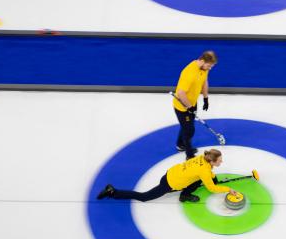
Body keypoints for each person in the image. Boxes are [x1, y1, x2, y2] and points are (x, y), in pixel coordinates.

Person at [96, 149, 237, 203]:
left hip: (170, 173)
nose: (221, 162)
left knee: (200, 180)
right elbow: (211, 188)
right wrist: (228, 189)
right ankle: (113, 192)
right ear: (211, 161)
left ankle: (185, 195)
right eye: (219, 160)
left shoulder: (203, 157)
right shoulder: (204, 171)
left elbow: (204, 172)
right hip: (170, 183)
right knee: (144, 197)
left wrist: (212, 176)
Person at [173, 50, 217, 159]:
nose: (210, 68)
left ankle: (180, 144)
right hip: (182, 107)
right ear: (202, 61)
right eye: (209, 66)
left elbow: (204, 81)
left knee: (186, 126)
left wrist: (206, 98)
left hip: (192, 103)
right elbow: (180, 93)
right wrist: (189, 107)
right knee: (189, 130)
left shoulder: (203, 68)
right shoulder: (189, 73)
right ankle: (189, 155)